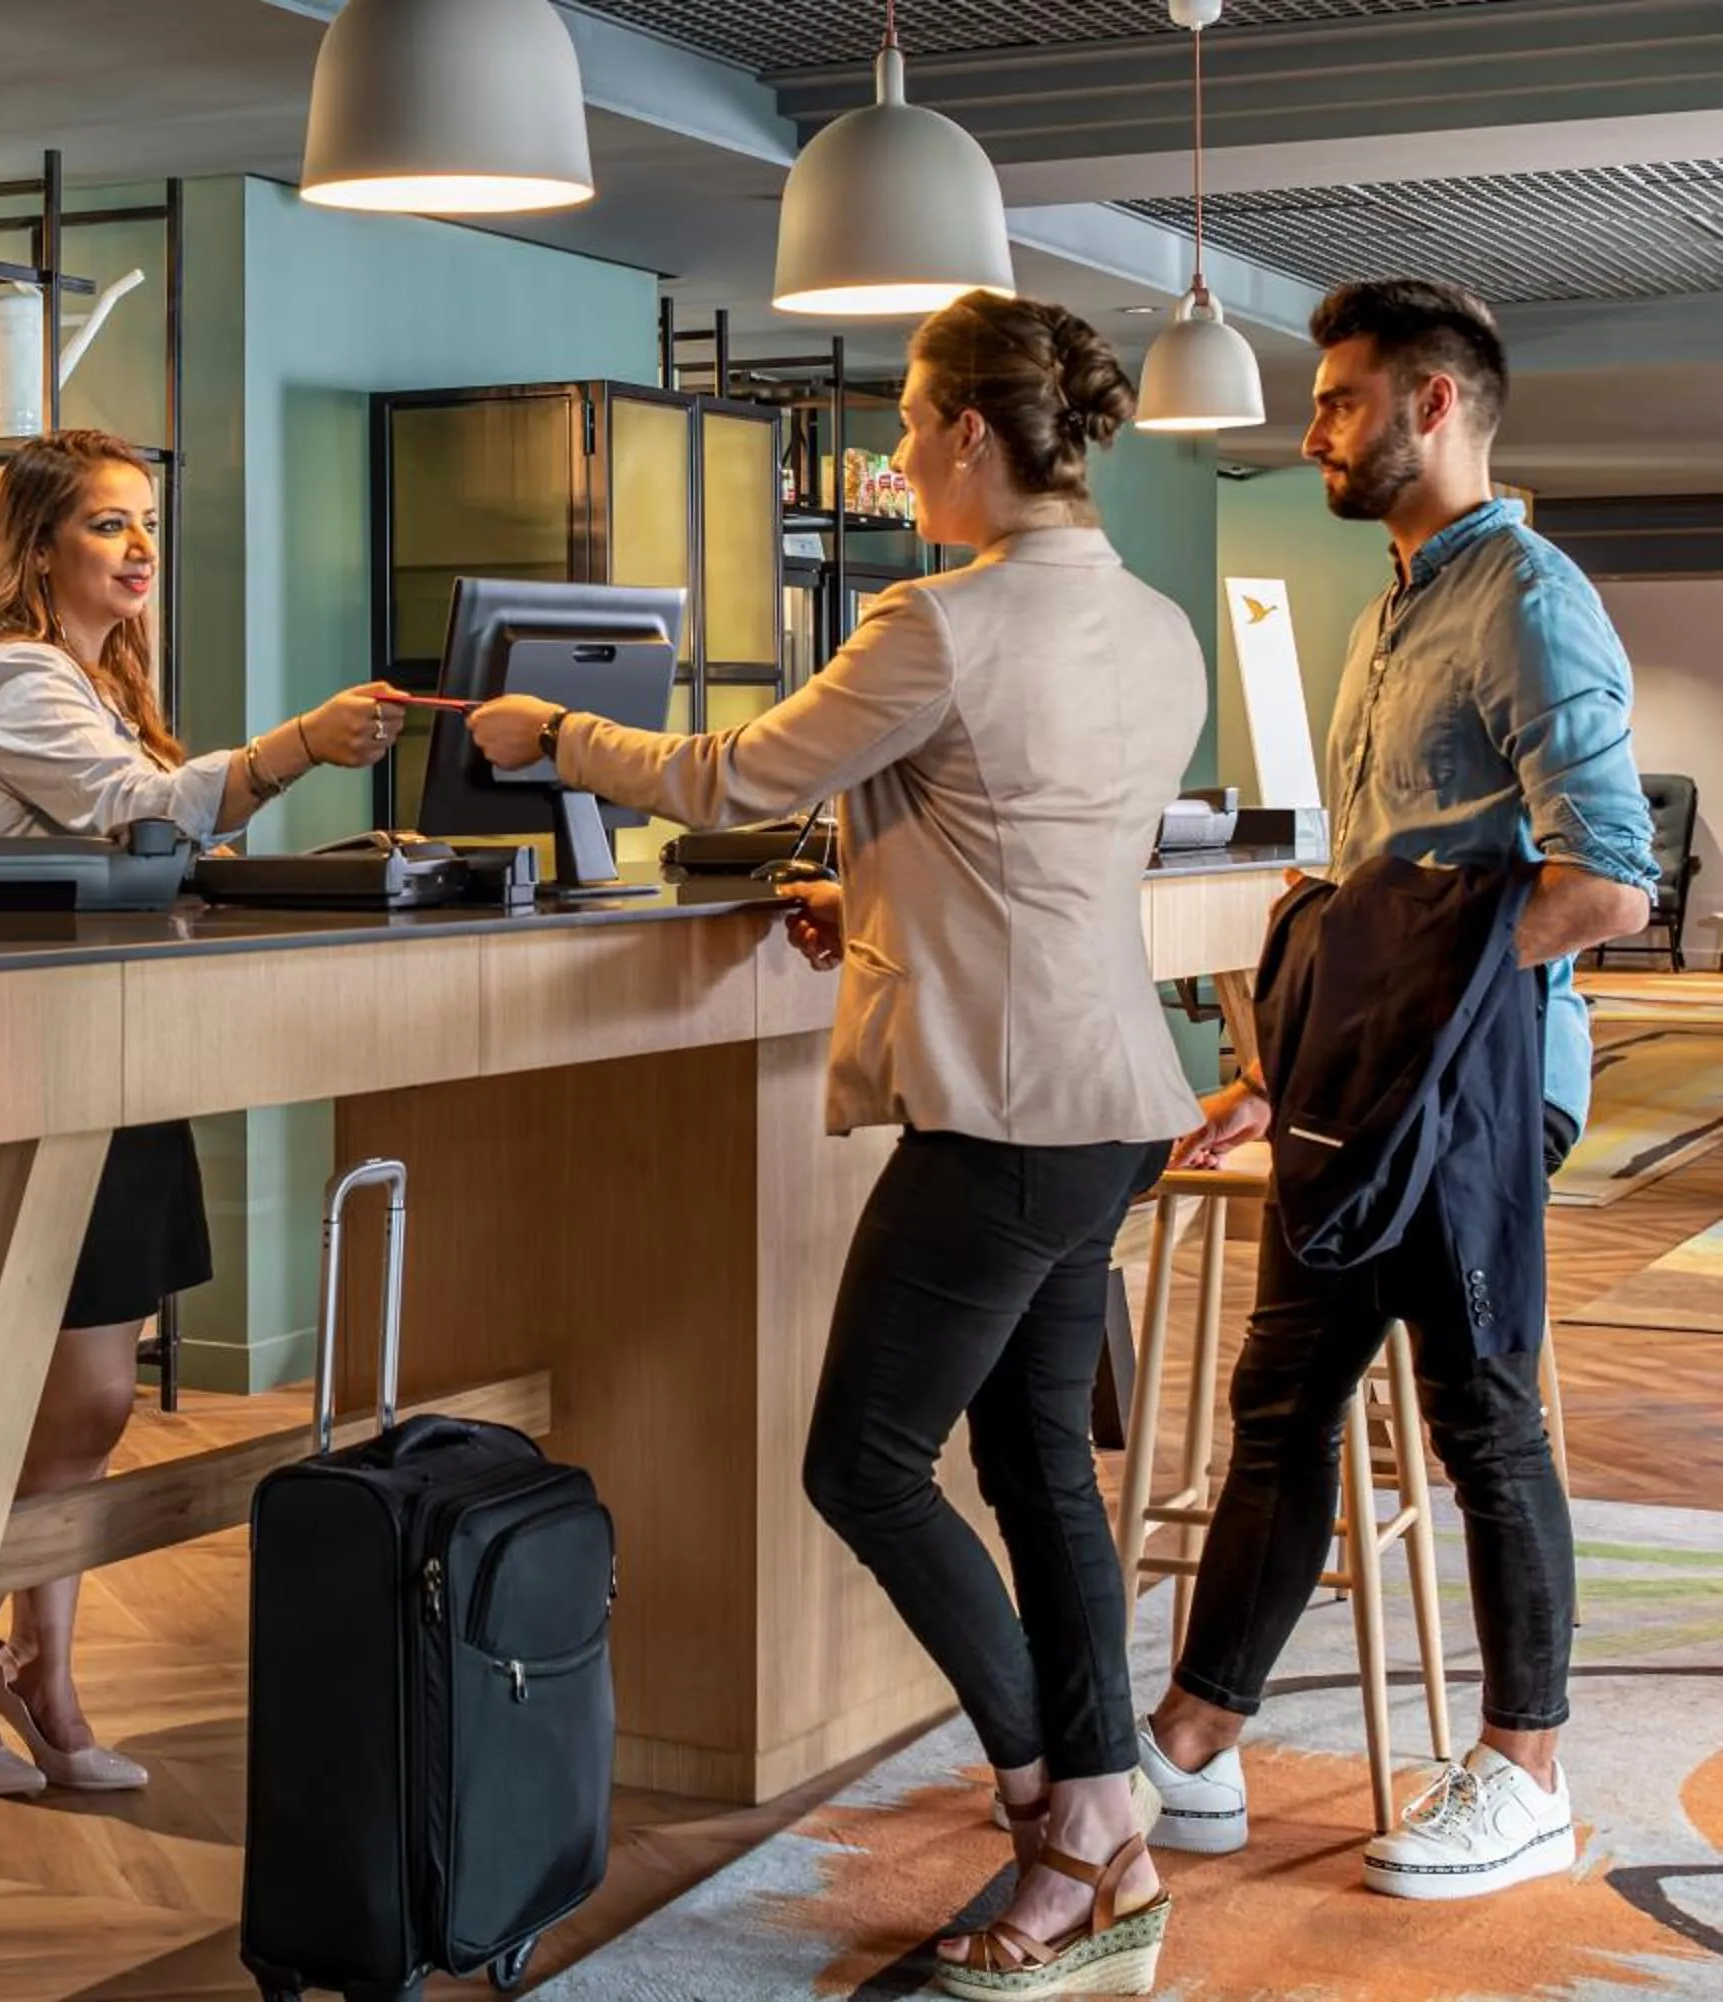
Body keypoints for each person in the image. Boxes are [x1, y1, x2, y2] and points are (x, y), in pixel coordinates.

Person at [469, 294, 1202, 1998]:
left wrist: (552, 734)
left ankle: (1059, 1799)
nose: (889, 451)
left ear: (965, 434)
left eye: (904, 419)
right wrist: (865, 890)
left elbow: (728, 772)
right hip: (1106, 1104)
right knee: (1031, 1466)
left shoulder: (939, 620)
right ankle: (1105, 1820)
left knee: (862, 1459)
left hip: (1000, 1115)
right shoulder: (1156, 623)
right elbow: (1017, 842)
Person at [1142, 278, 1656, 1898]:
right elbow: (1377, 898)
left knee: (1480, 1418)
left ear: (1438, 403)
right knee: (1279, 1404)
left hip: (1480, 1086)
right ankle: (1196, 1740)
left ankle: (1525, 1768)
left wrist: (1414, 1030)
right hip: (1367, 1086)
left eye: (1342, 399)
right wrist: (1285, 1065)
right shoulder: (1393, 605)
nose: (1313, 430)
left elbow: (1610, 885)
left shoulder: (1527, 597)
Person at [0, 427, 401, 1798]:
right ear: (40, 548)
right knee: (59, 1395)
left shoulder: (100, 683)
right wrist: (302, 745)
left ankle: (44, 1675)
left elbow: (151, 839)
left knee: (93, 1403)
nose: (138, 547)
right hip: (28, 1065)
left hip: (108, 1057)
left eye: (145, 524)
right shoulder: (12, 677)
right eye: (106, 526)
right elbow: (141, 818)